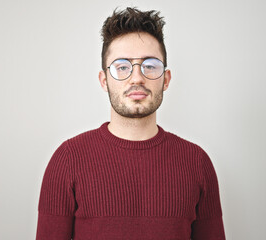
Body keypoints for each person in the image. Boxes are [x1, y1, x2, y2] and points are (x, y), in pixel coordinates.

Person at [36, 7, 225, 240]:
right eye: (122, 67)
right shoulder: (67, 160)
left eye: (150, 66)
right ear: (104, 80)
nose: (137, 77)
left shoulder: (198, 163)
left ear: (165, 80)